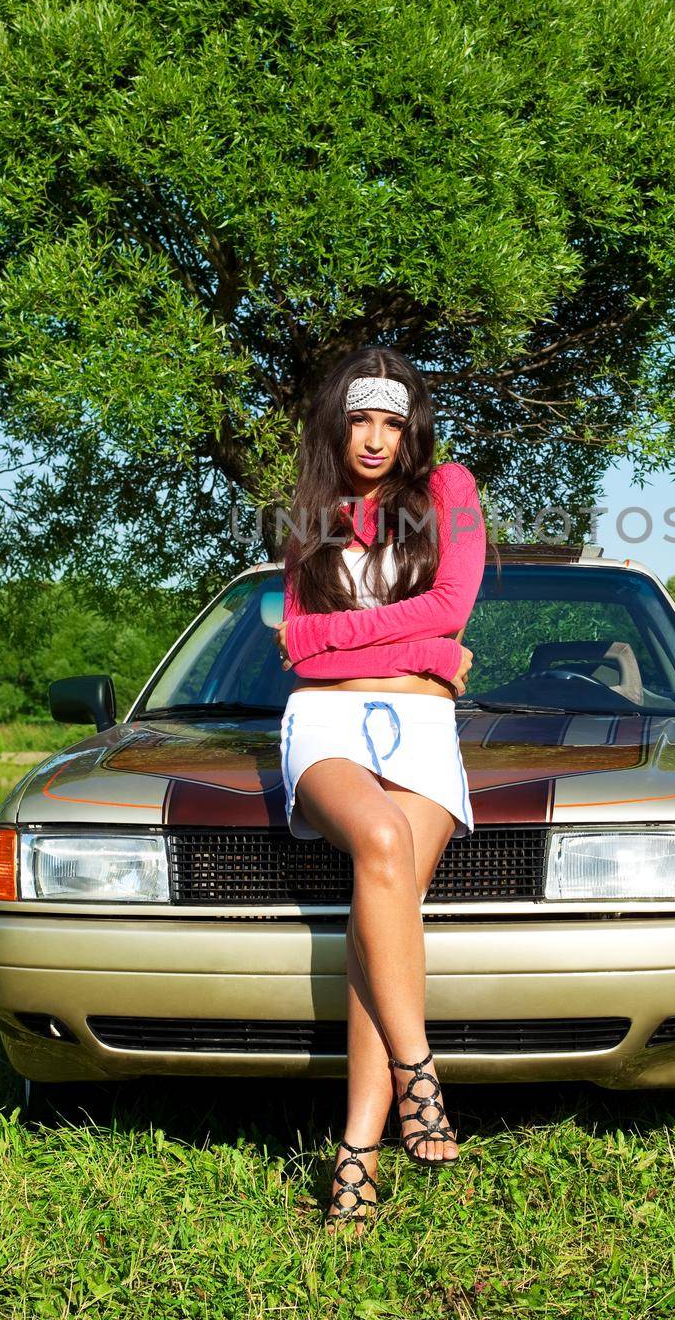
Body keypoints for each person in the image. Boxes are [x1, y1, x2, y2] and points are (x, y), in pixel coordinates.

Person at [274, 345, 487, 1233]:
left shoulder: (452, 494)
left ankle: (355, 1157)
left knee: (378, 924)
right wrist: (424, 660)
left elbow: (452, 612)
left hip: (425, 733)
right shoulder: (310, 513)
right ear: (338, 423)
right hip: (321, 728)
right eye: (359, 418)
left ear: (412, 428)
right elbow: (296, 645)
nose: (373, 438)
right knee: (382, 842)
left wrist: (352, 639)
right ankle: (417, 1069)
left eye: (391, 422)